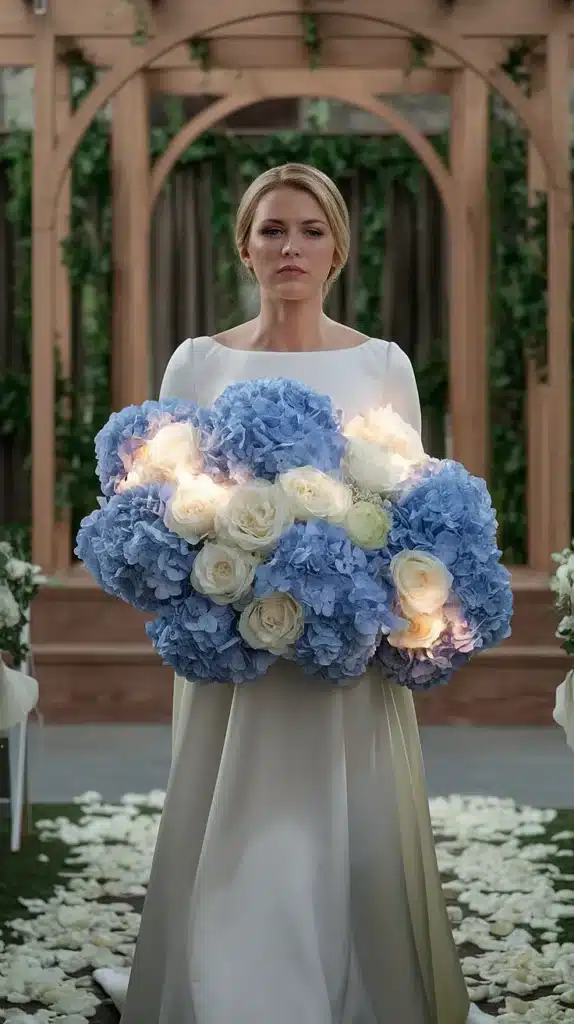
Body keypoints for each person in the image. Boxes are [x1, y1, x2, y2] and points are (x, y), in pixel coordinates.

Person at [95, 163, 490, 1023]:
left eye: (310, 231)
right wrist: (224, 567)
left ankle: (350, 986)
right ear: (245, 245)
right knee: (229, 800)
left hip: (341, 649)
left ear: (339, 248)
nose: (291, 247)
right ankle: (220, 984)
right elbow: (157, 504)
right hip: (229, 633)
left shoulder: (381, 364)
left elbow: (412, 512)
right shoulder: (199, 361)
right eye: (273, 229)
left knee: (341, 813)